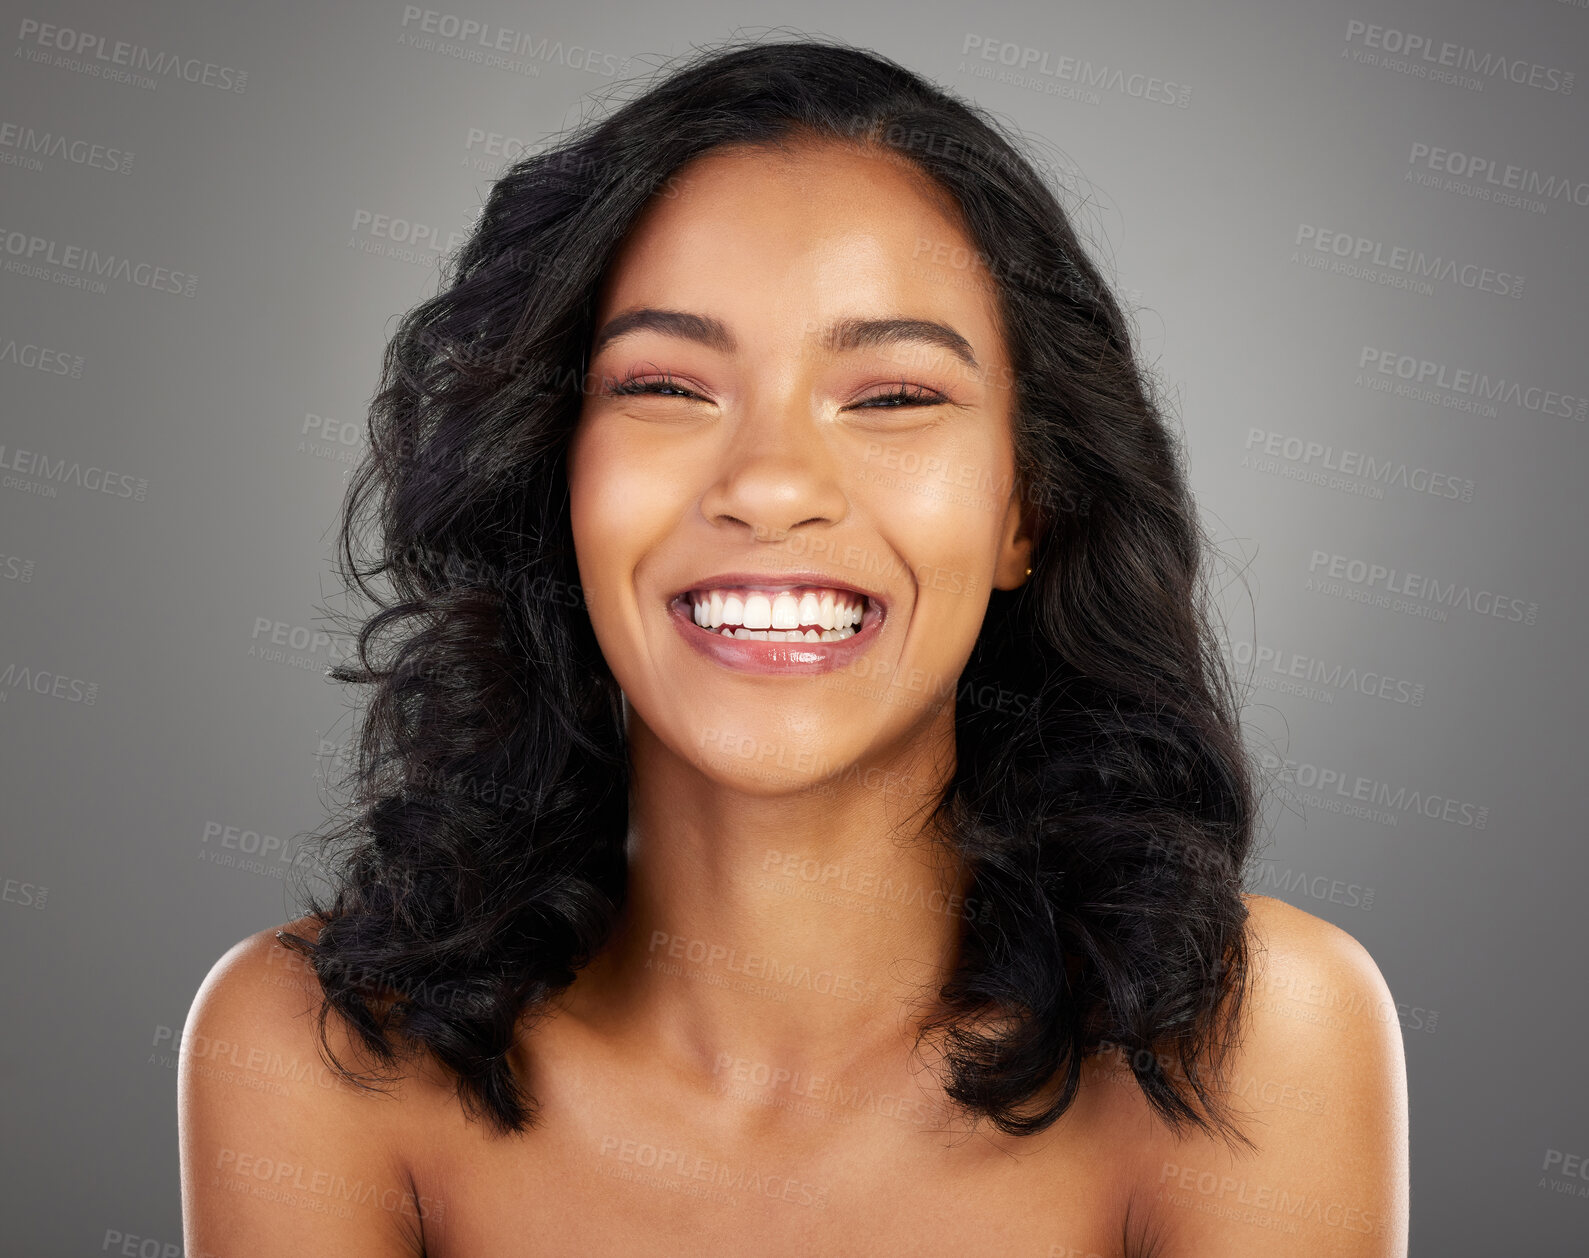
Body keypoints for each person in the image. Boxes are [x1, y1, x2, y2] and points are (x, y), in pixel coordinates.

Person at [179, 38, 1408, 1256]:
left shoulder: (1255, 1042)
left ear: (1025, 509)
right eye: (665, 386)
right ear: (553, 479)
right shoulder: (315, 1052)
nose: (769, 486)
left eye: (890, 397)